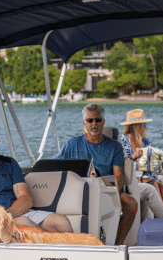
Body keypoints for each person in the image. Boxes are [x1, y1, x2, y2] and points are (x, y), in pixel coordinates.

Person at [55, 104, 138, 245]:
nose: (94, 124)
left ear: (103, 122)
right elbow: (53, 167)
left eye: (98, 120)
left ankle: (117, 245)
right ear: (84, 123)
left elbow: (118, 178)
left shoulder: (115, 146)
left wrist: (105, 194)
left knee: (131, 204)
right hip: (78, 190)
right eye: (90, 120)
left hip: (107, 188)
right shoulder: (71, 144)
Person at [119, 109, 163, 218]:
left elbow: (149, 161)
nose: (145, 127)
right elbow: (121, 162)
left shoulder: (145, 141)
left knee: (160, 184)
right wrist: (133, 157)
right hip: (130, 177)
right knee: (154, 184)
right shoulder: (123, 140)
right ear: (135, 126)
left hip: (143, 175)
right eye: (143, 124)